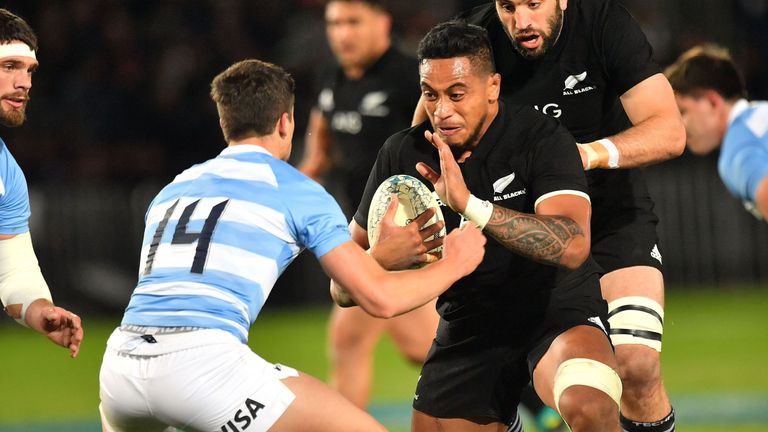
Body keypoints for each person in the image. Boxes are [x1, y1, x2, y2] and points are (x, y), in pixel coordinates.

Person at [98, 58, 485, 432]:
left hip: (120, 370)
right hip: (201, 365)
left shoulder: (171, 191)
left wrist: (376, 258)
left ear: (224, 123)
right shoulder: (295, 190)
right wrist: (456, 261)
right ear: (286, 123)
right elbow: (380, 300)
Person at [412, 2, 687, 430]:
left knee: (635, 365)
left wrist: (580, 157)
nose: (521, 21)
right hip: (520, 225)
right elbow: (429, 137)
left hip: (611, 216)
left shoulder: (603, 23)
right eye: (508, 6)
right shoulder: (475, 37)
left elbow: (669, 131)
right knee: (500, 378)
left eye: (533, 4)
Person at [342, 21, 623, 432]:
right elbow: (341, 289)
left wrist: (471, 206)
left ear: (492, 86)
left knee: (589, 406)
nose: (442, 111)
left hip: (553, 308)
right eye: (430, 95)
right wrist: (378, 258)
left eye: (457, 94)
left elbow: (573, 244)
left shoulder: (541, 138)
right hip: (468, 321)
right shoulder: (402, 153)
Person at [297, 0, 437, 410]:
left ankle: (520, 391)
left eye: (353, 21)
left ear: (383, 22)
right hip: (362, 231)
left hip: (406, 230)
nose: (342, 33)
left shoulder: (408, 75)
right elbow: (319, 154)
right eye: (335, 23)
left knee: (355, 336)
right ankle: (528, 395)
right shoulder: (331, 78)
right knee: (413, 345)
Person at [0, 8, 83, 358]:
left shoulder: (7, 176)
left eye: (29, 70)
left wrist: (40, 311)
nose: (25, 83)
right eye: (9, 67)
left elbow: (12, 270)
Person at [665, 44, 768, 221]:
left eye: (682, 112)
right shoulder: (760, 114)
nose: (677, 125)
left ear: (713, 102)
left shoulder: (737, 146)